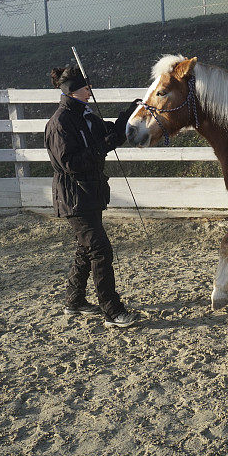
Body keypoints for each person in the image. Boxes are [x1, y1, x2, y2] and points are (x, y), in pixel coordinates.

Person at [45, 65, 141, 328]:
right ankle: (111, 310)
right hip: (74, 197)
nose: (90, 91)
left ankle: (74, 301)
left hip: (89, 193)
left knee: (85, 249)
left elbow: (109, 135)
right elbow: (70, 163)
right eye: (86, 87)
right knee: (100, 250)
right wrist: (102, 147)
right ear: (73, 91)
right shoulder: (60, 123)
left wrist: (126, 117)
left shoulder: (85, 115)